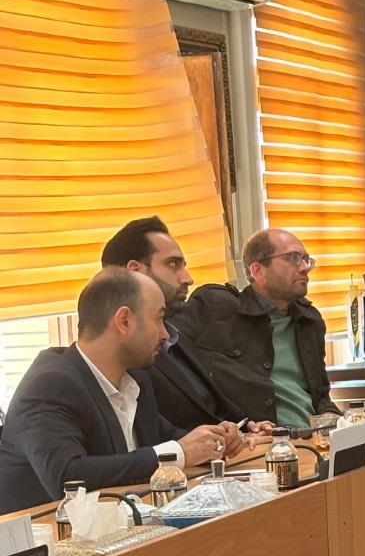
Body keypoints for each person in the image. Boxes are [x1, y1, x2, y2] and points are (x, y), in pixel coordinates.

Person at [0, 269, 244, 514]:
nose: (166, 334)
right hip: (46, 532)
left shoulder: (135, 377)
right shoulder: (50, 385)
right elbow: (67, 477)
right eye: (159, 319)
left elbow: (165, 437)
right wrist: (179, 453)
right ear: (124, 321)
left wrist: (215, 440)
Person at [100, 217, 274, 443]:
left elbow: (210, 410)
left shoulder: (176, 336)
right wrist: (224, 442)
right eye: (173, 264)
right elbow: (153, 437)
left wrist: (245, 428)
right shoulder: (120, 353)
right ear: (135, 271)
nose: (188, 278)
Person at [175, 229, 339, 427]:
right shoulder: (215, 309)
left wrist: (331, 416)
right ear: (257, 271)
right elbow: (166, 352)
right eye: (294, 258)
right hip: (261, 439)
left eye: (306, 259)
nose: (305, 268)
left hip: (313, 437)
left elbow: (321, 396)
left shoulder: (310, 320)